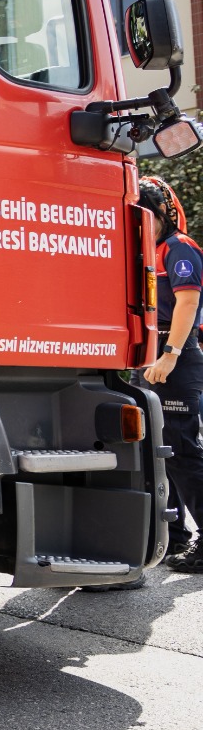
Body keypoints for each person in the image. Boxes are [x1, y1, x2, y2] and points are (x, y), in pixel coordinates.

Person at [138, 176, 203, 574]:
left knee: (181, 449)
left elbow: (188, 303)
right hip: (150, 357)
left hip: (174, 356)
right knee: (155, 452)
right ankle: (174, 534)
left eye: (148, 216)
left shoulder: (179, 249)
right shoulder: (150, 249)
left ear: (162, 213)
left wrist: (169, 355)